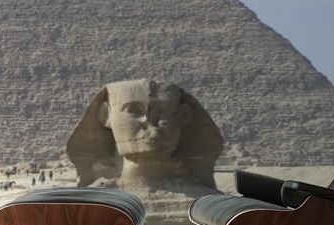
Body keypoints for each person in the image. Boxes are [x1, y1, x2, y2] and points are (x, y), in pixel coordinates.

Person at [66, 79, 224, 190]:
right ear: (105, 116)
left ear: (184, 115)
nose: (149, 121)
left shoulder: (211, 207)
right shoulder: (90, 206)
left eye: (163, 110)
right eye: (133, 110)